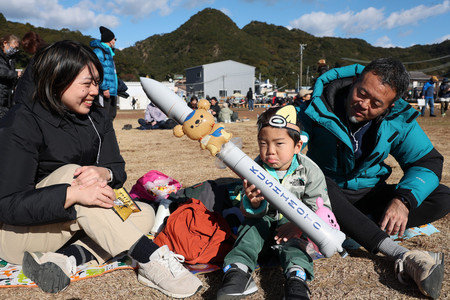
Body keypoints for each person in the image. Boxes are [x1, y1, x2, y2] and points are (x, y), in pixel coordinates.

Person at [0, 40, 202, 298]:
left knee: (144, 213)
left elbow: (117, 168)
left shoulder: (96, 118)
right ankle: (149, 258)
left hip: (73, 224)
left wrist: (104, 173)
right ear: (57, 79)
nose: (95, 90)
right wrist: (72, 195)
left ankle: (65, 258)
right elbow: (7, 204)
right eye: (87, 83)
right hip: (17, 234)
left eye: (97, 82)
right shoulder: (21, 121)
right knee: (75, 175)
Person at [298, 58, 449, 299]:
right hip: (326, 195)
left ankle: (353, 228)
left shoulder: (397, 120)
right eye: (361, 92)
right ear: (356, 81)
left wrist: (403, 201)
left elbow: (426, 161)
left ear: (389, 106)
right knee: (314, 178)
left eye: (376, 103)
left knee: (442, 196)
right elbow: (286, 136)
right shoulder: (317, 107)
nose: (362, 103)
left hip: (368, 192)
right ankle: (397, 252)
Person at [217, 105, 331, 300]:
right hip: (263, 221)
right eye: (263, 143)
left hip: (294, 227)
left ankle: (297, 278)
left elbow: (320, 208)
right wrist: (252, 204)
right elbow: (246, 210)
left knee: (296, 246)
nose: (270, 151)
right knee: (249, 231)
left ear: (298, 146)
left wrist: (298, 225)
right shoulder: (253, 168)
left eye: (279, 143)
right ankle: (238, 271)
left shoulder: (310, 171)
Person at [90, 26, 119, 120]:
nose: (115, 41)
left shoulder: (109, 53)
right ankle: (101, 135)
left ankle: (108, 135)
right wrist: (105, 88)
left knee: (111, 116)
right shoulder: (98, 52)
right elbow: (97, 72)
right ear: (110, 40)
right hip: (104, 91)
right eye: (114, 39)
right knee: (103, 117)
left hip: (112, 91)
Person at [13, 31, 48, 106]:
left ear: (32, 45)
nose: (26, 51)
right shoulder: (45, 53)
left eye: (26, 48)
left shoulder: (40, 57)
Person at [0, 34, 20, 119]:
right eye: (14, 47)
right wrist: (15, 74)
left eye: (17, 48)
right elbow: (2, 72)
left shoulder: (11, 59)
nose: (15, 50)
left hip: (7, 97)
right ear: (5, 43)